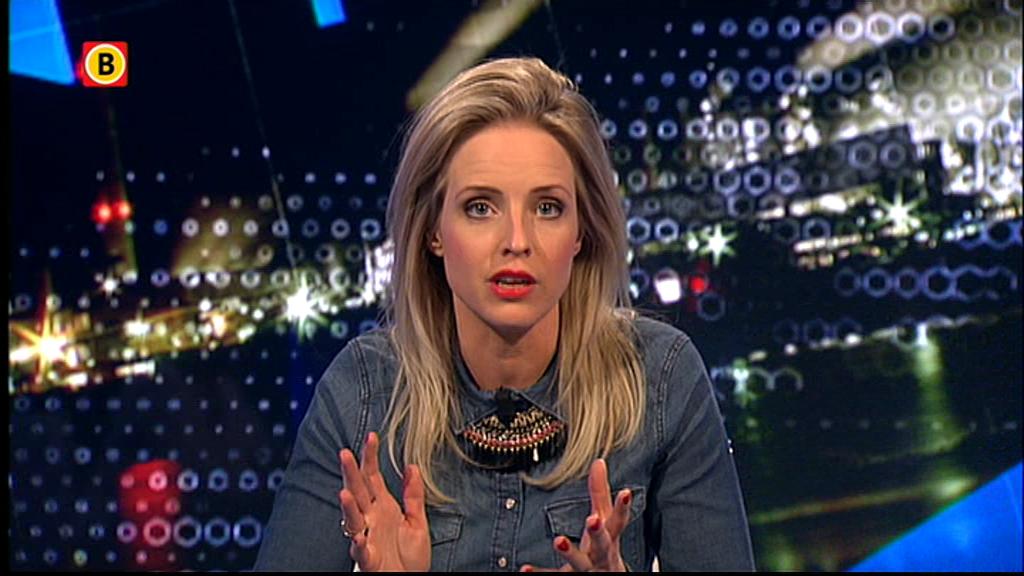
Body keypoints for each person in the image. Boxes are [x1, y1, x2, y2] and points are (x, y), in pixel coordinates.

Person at [254, 57, 754, 571]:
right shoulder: (364, 392)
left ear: (581, 232)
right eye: (480, 207)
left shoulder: (660, 378)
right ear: (432, 230)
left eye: (547, 208)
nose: (517, 241)